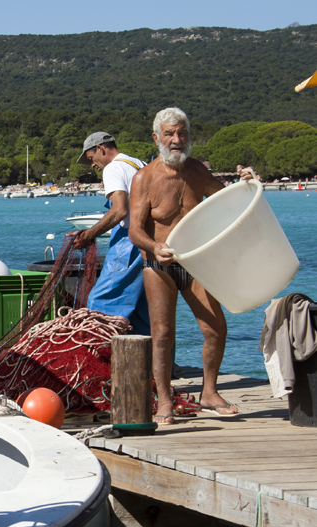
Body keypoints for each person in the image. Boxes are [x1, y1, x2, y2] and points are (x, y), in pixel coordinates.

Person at [128, 107, 254, 424]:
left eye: (182, 133)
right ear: (156, 138)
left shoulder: (197, 171)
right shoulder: (144, 179)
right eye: (169, 134)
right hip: (159, 265)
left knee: (215, 329)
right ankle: (165, 402)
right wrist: (155, 246)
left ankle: (209, 393)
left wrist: (247, 183)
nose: (176, 139)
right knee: (163, 334)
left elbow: (229, 202)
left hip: (197, 262)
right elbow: (134, 230)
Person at [70, 132, 150, 334]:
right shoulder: (138, 164)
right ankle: (157, 364)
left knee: (101, 304)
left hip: (130, 243)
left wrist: (88, 235)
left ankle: (100, 360)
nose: (93, 166)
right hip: (150, 242)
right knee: (143, 311)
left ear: (101, 149)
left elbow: (119, 210)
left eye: (91, 159)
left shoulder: (113, 168)